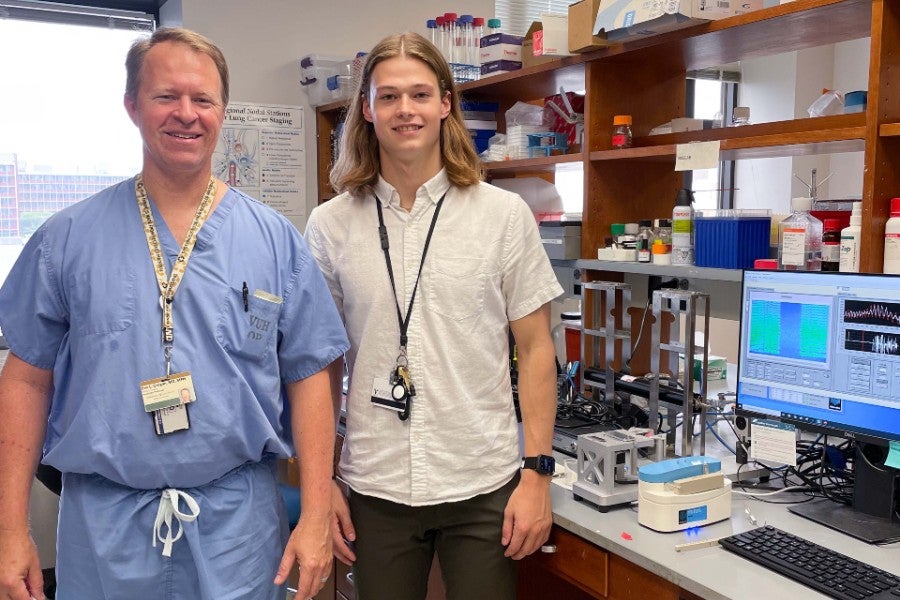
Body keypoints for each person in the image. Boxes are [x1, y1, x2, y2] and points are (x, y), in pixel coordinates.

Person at [0, 27, 349, 600]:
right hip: (103, 526)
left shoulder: (275, 242)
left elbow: (309, 376)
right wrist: (12, 529)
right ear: (133, 106)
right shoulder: (67, 240)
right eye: (166, 96)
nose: (186, 114)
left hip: (237, 525)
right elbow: (26, 379)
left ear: (222, 111)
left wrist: (314, 513)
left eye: (203, 99)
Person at [304, 32, 562, 599]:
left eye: (420, 94)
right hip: (376, 485)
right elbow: (318, 366)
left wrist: (537, 474)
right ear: (367, 109)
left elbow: (538, 348)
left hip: (482, 481)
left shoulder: (502, 216)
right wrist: (320, 482)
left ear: (445, 103)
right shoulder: (329, 226)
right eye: (389, 96)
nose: (405, 110)